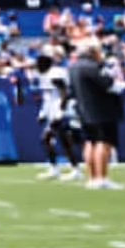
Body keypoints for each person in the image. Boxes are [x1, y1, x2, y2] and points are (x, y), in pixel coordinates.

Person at [67, 37, 125, 190]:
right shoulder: (91, 66)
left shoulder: (73, 67)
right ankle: (102, 178)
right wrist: (121, 84)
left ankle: (93, 177)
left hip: (84, 110)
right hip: (100, 109)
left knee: (90, 142)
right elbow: (108, 85)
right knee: (103, 142)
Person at [32, 51, 81, 182]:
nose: (37, 66)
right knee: (52, 140)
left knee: (59, 140)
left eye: (39, 64)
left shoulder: (55, 73)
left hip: (61, 110)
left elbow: (64, 92)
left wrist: (61, 111)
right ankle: (57, 168)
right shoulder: (44, 75)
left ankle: (73, 169)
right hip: (52, 110)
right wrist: (43, 112)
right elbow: (47, 96)